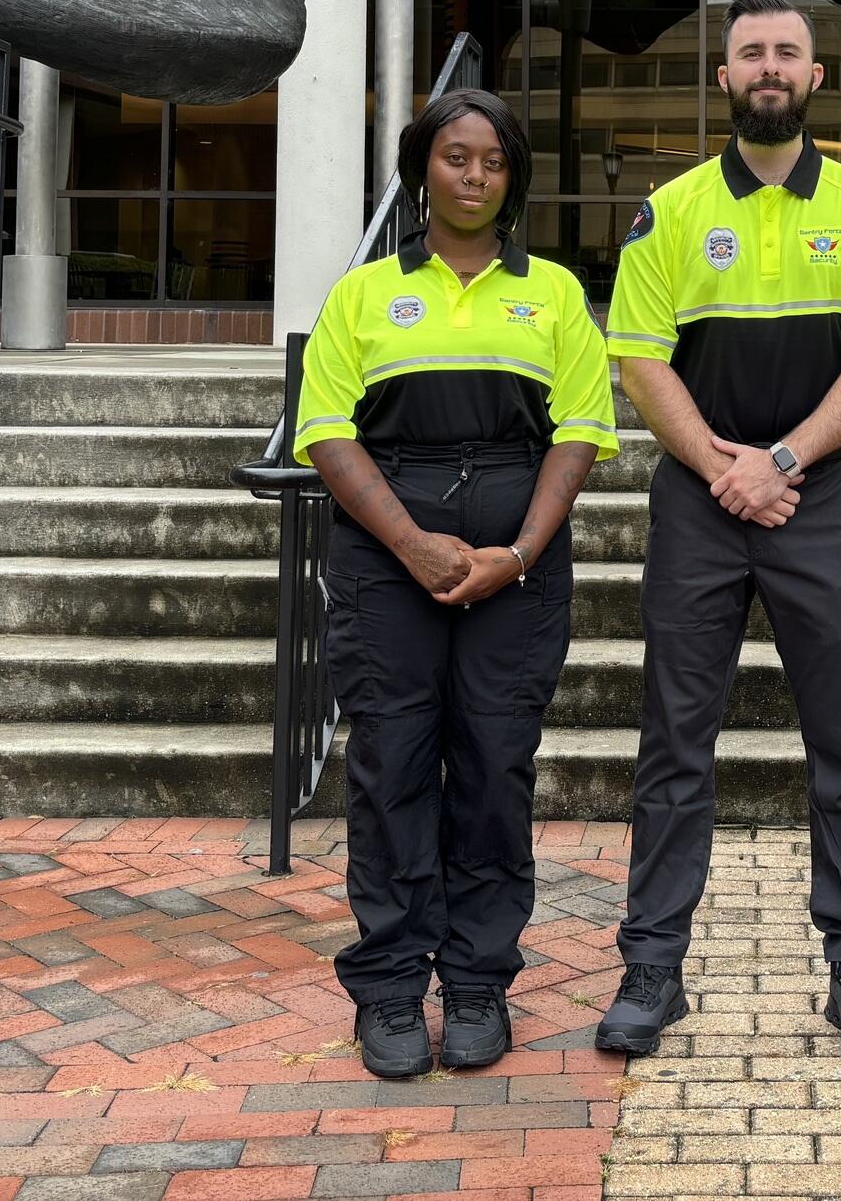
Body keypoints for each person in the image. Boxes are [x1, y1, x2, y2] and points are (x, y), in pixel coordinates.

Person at [594, 0, 841, 1060]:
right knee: (673, 745)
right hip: (699, 497)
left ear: (816, 77)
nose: (770, 67)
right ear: (724, 78)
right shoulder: (673, 209)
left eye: (788, 52)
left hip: (817, 496)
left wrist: (779, 463)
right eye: (751, 54)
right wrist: (724, 469)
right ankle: (653, 963)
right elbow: (639, 354)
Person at [294, 87, 616, 1078]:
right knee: (391, 769)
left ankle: (477, 982)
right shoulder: (361, 295)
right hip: (387, 565)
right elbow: (326, 435)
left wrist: (512, 555)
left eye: (493, 162)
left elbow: (580, 435)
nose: (473, 177)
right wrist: (416, 546)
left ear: (513, 177)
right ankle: (389, 990)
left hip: (517, 570)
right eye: (454, 158)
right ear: (420, 169)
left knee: (491, 770)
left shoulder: (554, 294)